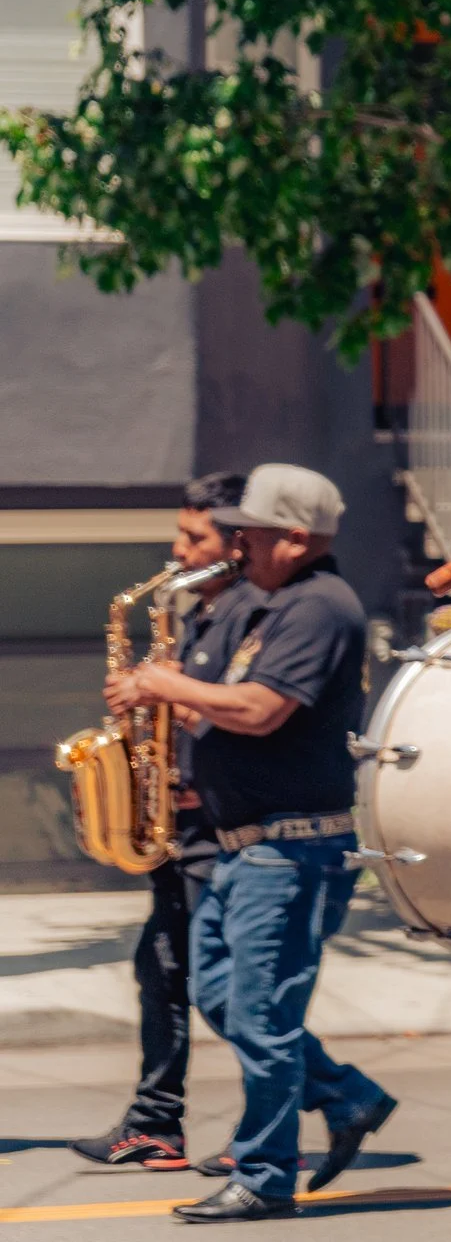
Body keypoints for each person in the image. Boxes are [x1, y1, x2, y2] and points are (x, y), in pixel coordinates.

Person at [106, 464, 398, 1220]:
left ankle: (267, 1173)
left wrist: (165, 687)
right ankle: (347, 1095)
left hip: (291, 845)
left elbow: (260, 709)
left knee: (263, 1015)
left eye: (250, 532)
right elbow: (224, 712)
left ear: (296, 538)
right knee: (218, 994)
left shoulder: (319, 606)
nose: (235, 544)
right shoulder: (264, 605)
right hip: (241, 842)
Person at [68, 471, 248, 1171]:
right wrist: (140, 708)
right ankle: (154, 1123)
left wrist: (164, 688)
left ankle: (290, 1118)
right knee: (163, 968)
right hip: (180, 823)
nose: (177, 548)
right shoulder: (192, 611)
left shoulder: (258, 613)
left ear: (236, 540)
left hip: (226, 826)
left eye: (193, 535)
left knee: (226, 986)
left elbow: (250, 717)